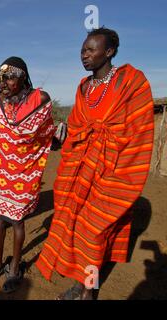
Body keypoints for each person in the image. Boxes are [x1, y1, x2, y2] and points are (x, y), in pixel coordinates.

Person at [36, 27, 154, 300]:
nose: (84, 55)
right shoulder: (84, 87)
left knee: (95, 232)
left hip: (112, 172)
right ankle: (82, 282)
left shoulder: (131, 82)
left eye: (91, 50)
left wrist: (109, 146)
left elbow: (138, 129)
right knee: (77, 228)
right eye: (82, 50)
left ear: (109, 51)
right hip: (81, 170)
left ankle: (89, 291)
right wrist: (62, 139)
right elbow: (77, 127)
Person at [0, 57, 55, 293]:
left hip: (26, 169)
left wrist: (21, 143)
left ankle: (13, 269)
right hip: (1, 168)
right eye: (2, 78)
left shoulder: (40, 99)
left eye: (10, 77)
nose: (5, 82)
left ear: (23, 77)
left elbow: (45, 132)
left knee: (18, 220)